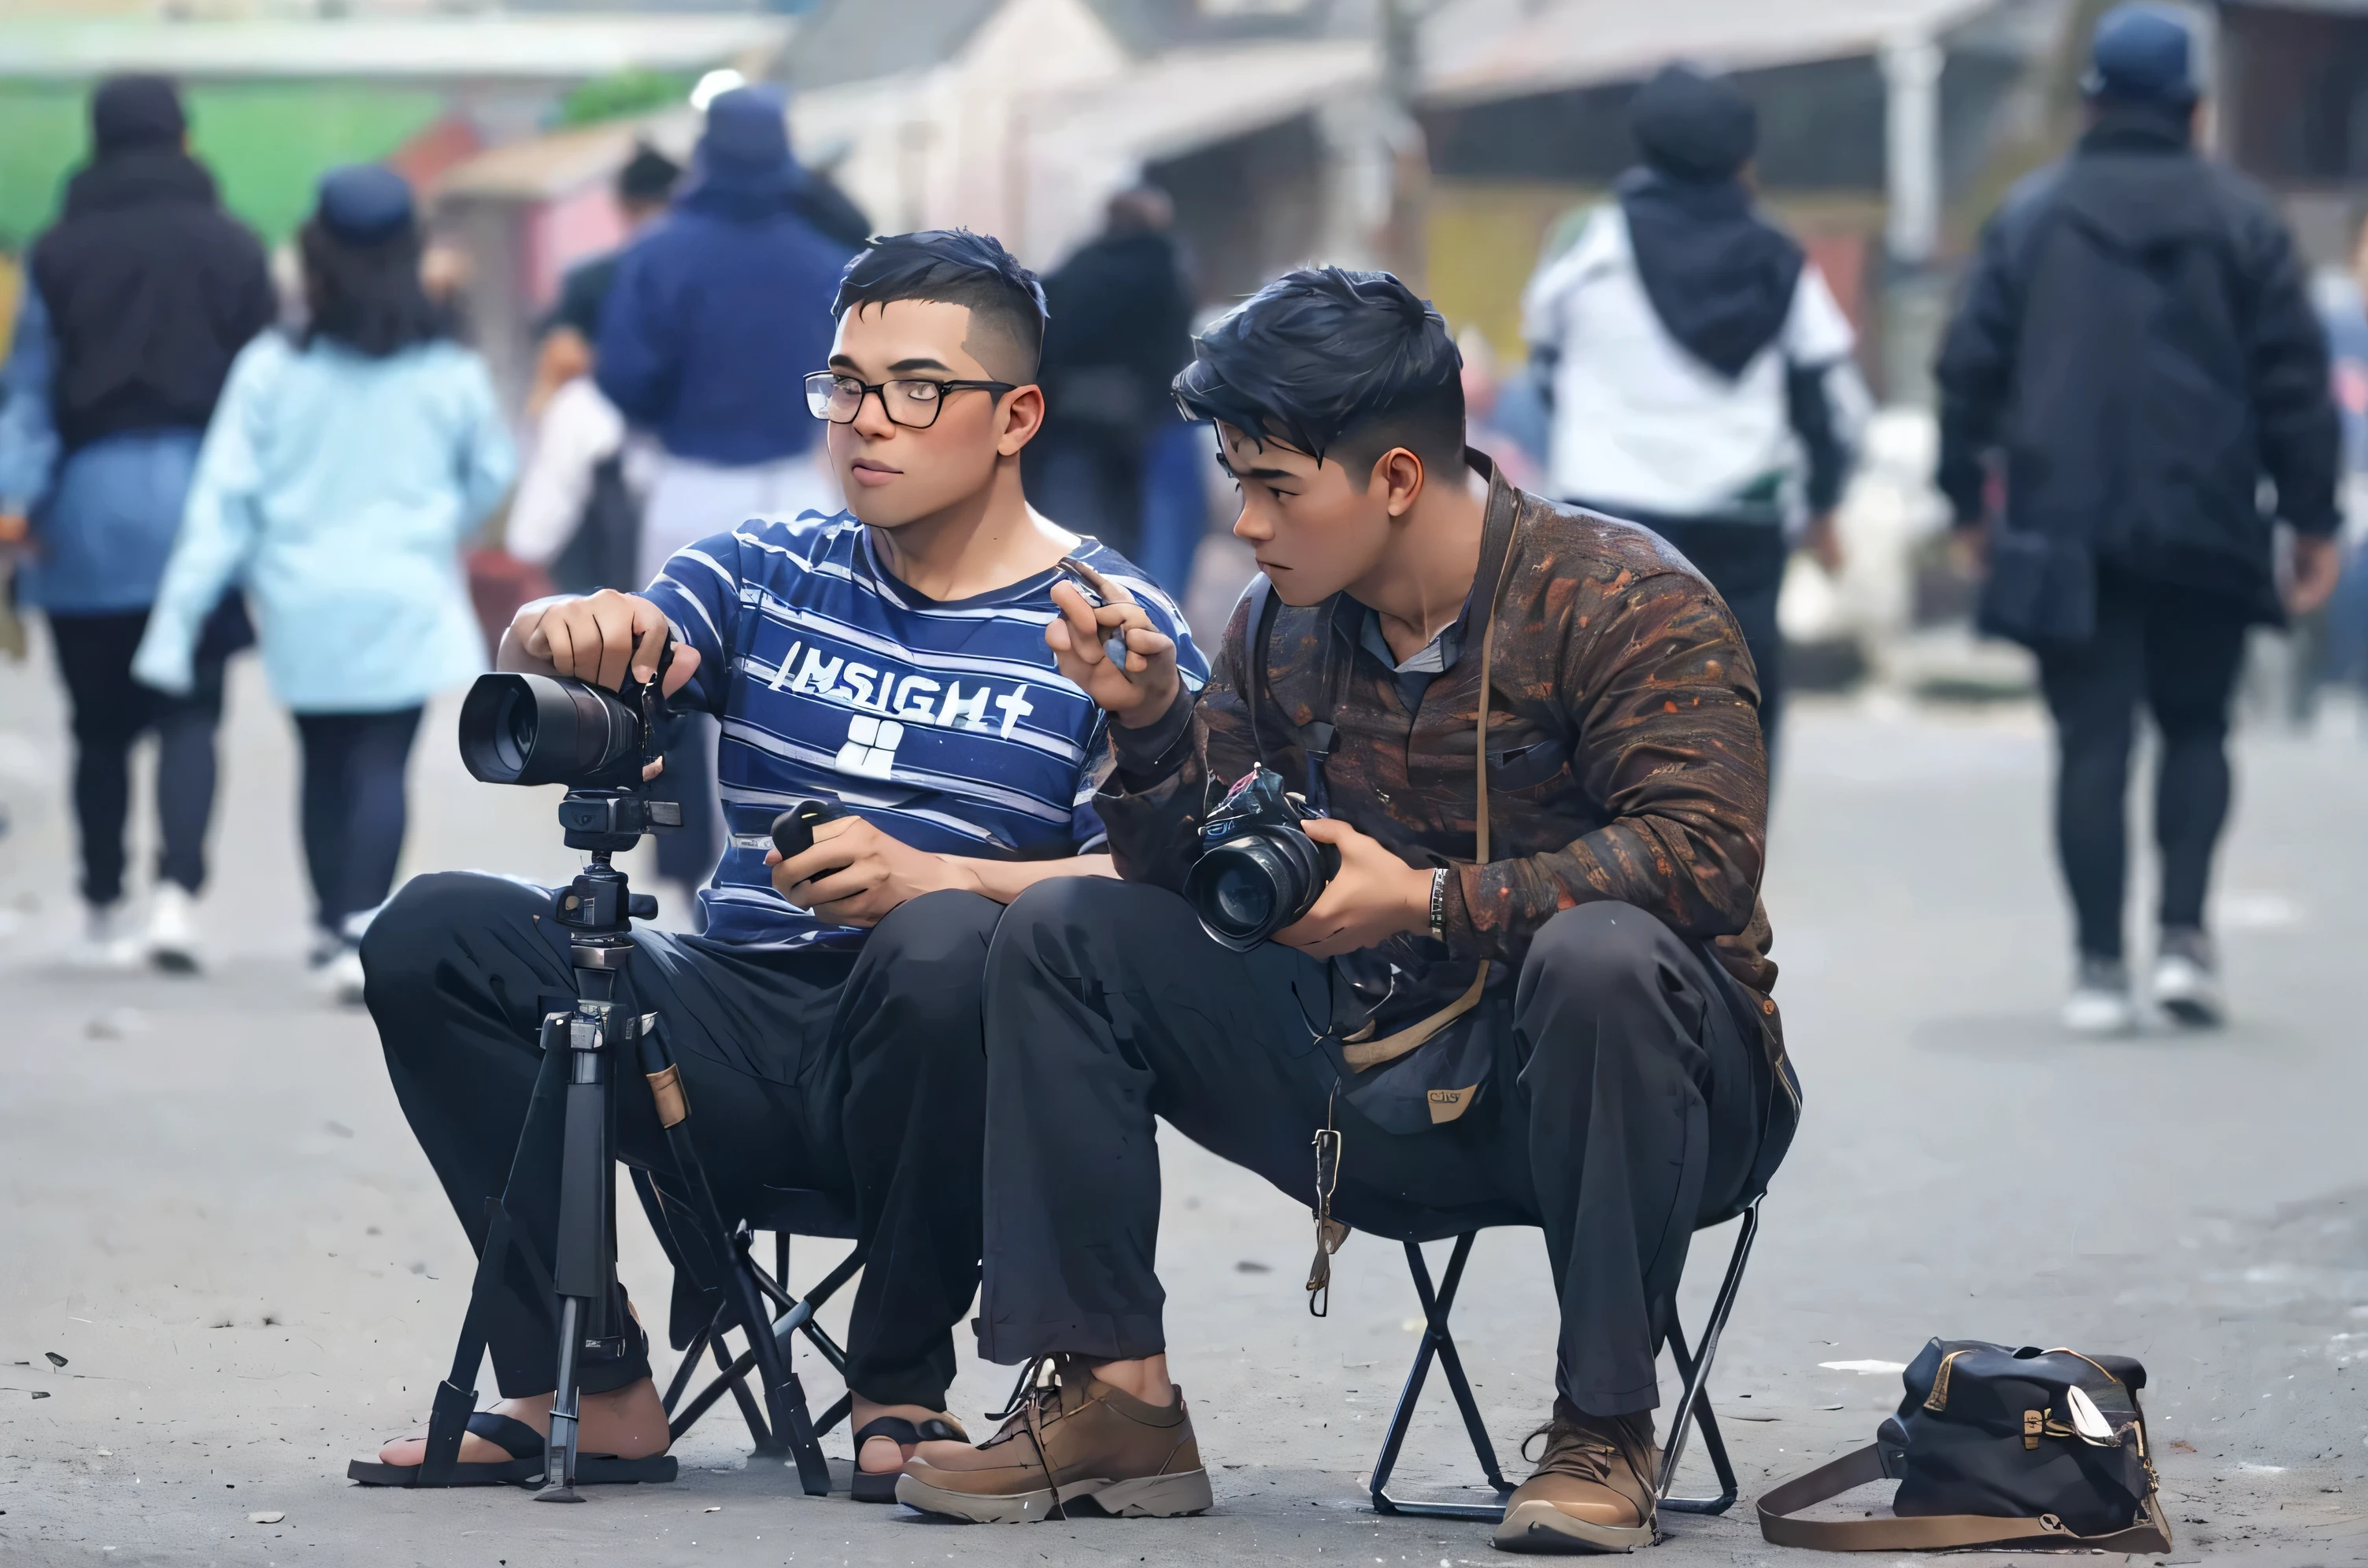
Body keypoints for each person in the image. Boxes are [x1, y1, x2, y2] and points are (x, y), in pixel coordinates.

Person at [901, 268, 1798, 1555]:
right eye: (1236, 482)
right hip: (1374, 1081)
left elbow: (1705, 857)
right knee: (1062, 933)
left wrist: (1432, 899)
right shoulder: (1279, 628)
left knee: (1600, 958)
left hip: (1646, 1097)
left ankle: (1604, 1429)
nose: (1246, 524)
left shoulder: (1621, 597)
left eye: (1274, 487)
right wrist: (1150, 727)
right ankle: (1110, 1399)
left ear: (1389, 479)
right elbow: (1170, 876)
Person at [350, 229, 1203, 1496]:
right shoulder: (767, 566)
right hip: (723, 1038)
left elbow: (1150, 904)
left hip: (943, 1071)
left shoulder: (1111, 629)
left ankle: (901, 1387)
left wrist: (939, 878)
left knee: (942, 946)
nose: (868, 423)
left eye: (917, 390)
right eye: (845, 386)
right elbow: (622, 649)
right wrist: (560, 628)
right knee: (430, 929)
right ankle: (586, 1381)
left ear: (1016, 414)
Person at [1935, 2, 2343, 1034]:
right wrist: (2312, 520)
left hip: (2065, 522)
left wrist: (1961, 498)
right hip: (2207, 515)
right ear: (2196, 108)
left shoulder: (2030, 217)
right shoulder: (2246, 219)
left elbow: (1967, 369)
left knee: (2091, 742)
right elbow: (2295, 382)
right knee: (2198, 727)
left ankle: (2099, 969)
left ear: (2091, 104)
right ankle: (2185, 943)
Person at [131, 165, 516, 1001]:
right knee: (383, 765)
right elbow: (492, 473)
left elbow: (223, 499)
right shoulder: (446, 368)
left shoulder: (273, 367)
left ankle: (326, 923)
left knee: (322, 761)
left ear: (314, 256)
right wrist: (437, 520)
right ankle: (360, 928)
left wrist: (179, 620)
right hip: (405, 591)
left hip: (303, 599)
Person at [0, 74, 274, 971]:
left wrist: (15, 500)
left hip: (89, 510)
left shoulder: (58, 249)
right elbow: (264, 395)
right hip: (203, 508)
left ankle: (100, 901)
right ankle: (176, 900)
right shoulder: (234, 248)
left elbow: (32, 395)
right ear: (182, 138)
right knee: (192, 710)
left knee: (99, 724)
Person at [1521, 63, 1868, 761]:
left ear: (1644, 143)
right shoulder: (1779, 256)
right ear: (1744, 155)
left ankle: (1609, 860)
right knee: (1735, 712)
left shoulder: (1587, 241)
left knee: (1599, 706)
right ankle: (1726, 859)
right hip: (1737, 526)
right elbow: (1821, 407)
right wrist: (1823, 507)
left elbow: (1547, 372)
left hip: (1603, 523)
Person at [596, 85, 864, 904]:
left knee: (668, 678)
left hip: (688, 486)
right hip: (800, 484)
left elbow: (625, 377)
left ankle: (680, 881)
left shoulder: (658, 252)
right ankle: (786, 871)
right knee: (795, 681)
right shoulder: (827, 262)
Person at [506, 144, 681, 597]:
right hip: (660, 448)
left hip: (613, 445)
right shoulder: (691, 277)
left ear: (622, 206)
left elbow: (561, 356)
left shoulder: (599, 277)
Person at [1024, 186, 1201, 593]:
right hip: (1139, 432)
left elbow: (1043, 340)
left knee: (1070, 535)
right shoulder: (1165, 272)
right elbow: (1173, 356)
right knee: (1137, 540)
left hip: (1067, 426)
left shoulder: (1079, 267)